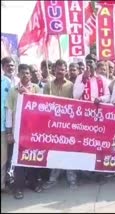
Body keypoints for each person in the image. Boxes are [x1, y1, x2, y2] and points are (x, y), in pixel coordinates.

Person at [6, 64, 42, 199]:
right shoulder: (13, 91)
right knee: (18, 159)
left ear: (31, 75)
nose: (25, 75)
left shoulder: (37, 89)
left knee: (32, 157)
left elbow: (42, 107)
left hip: (33, 131)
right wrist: (9, 132)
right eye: (23, 73)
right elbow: (9, 112)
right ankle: (18, 187)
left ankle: (33, 183)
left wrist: (28, 95)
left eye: (27, 73)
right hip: (17, 131)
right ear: (19, 75)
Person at [42, 59, 78, 190]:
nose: (60, 71)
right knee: (54, 152)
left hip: (68, 125)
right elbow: (43, 105)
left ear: (66, 70)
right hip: (52, 125)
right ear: (54, 70)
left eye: (62, 69)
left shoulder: (71, 86)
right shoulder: (48, 86)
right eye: (57, 69)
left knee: (69, 152)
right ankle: (53, 179)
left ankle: (72, 179)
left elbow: (76, 106)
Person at [1, 72, 11, 193]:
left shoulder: (7, 82)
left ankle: (2, 185)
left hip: (3, 128)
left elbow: (9, 107)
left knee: (3, 159)